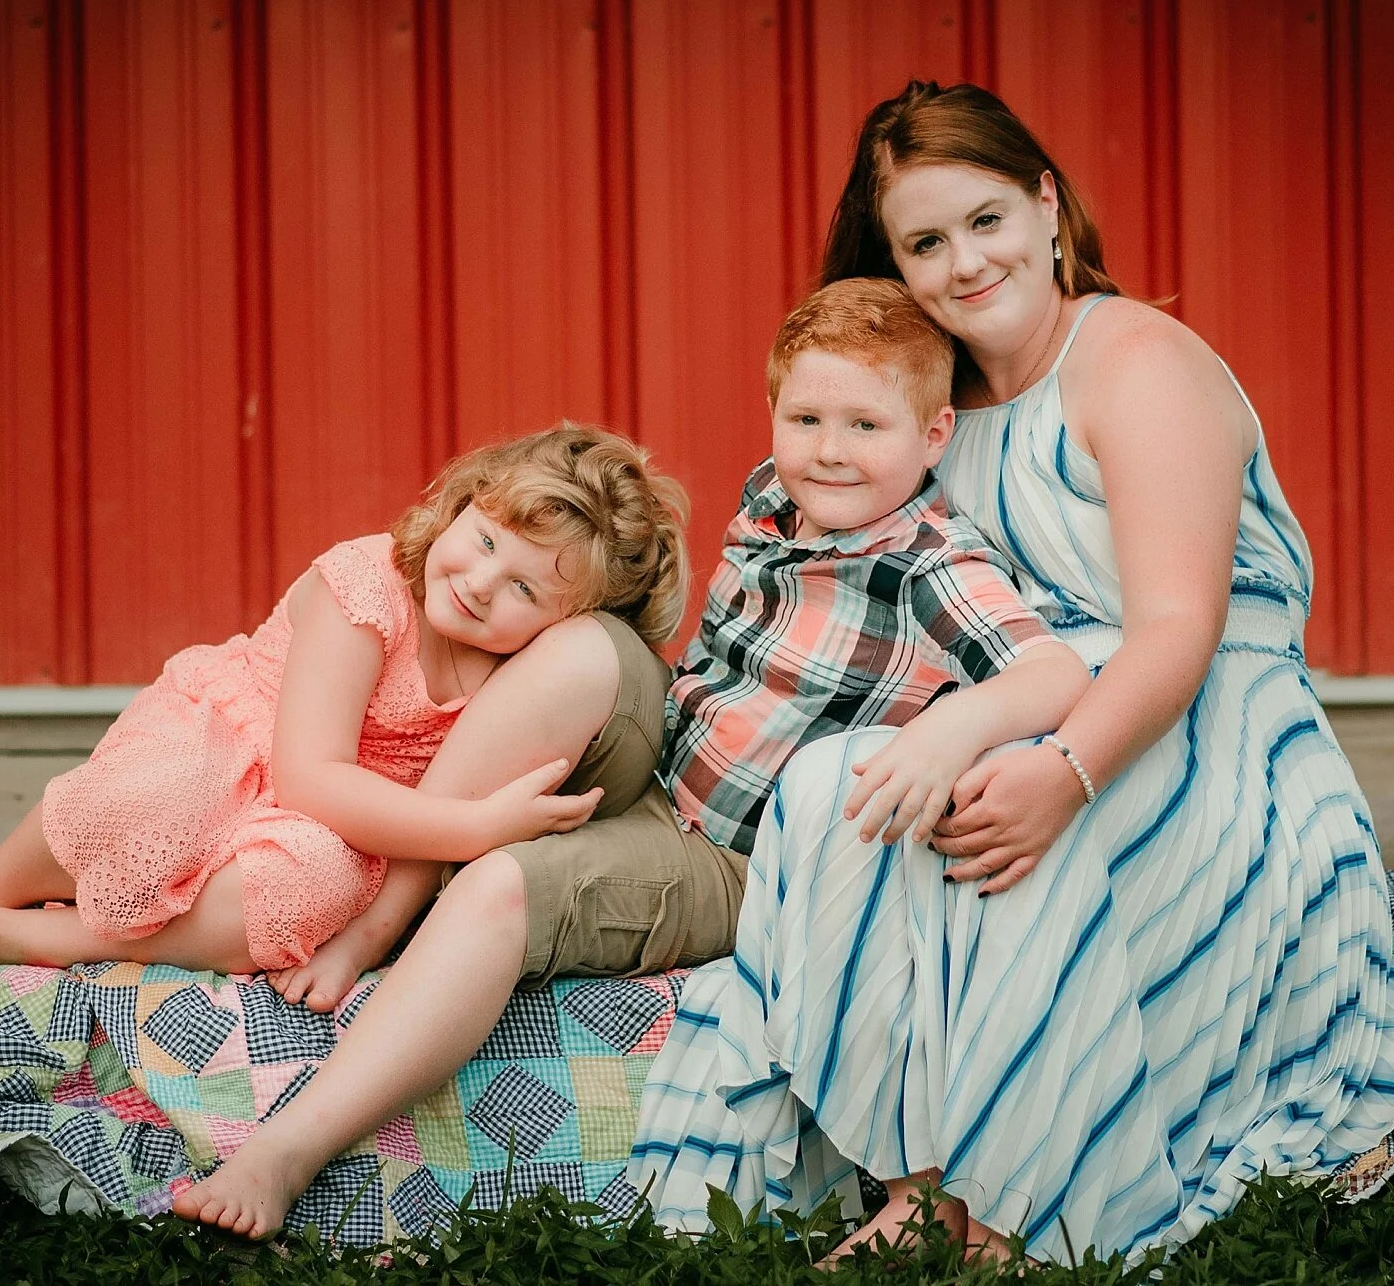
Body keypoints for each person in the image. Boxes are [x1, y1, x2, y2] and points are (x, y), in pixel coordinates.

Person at [629, 81, 1394, 1265]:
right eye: (924, 241)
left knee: (1005, 819)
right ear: (895, 264)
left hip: (1194, 722)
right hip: (1010, 700)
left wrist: (1065, 770)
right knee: (837, 791)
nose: (963, 262)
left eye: (983, 220)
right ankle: (918, 1179)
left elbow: (1178, 630)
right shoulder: (933, 404)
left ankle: (1026, 1203)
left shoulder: (1135, 362)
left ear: (1045, 201)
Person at [173, 274, 1089, 1239]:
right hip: (661, 761)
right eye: (807, 415)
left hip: (729, 851)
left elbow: (1054, 672)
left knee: (498, 886)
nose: (829, 450)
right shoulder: (777, 495)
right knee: (583, 647)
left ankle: (286, 1148)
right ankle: (392, 902)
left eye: (867, 426)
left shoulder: (931, 566)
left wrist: (947, 729)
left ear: (935, 436)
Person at [0, 425, 691, 991]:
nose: (479, 583)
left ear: (563, 621)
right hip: (238, 742)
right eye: (484, 541)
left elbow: (330, 816)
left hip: (333, 824)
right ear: (462, 503)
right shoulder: (367, 584)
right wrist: (475, 830)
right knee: (157, 797)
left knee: (308, 891)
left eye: (523, 587)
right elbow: (306, 771)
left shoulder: (508, 675)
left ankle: (40, 939)